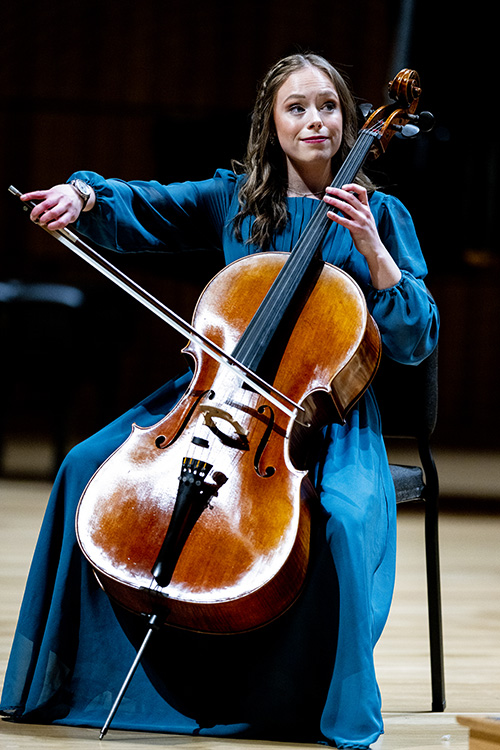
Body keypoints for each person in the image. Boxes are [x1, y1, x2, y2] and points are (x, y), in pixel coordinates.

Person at [1, 53, 439, 749]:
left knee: (347, 518)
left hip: (326, 419)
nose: (314, 120)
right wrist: (83, 198)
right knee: (86, 467)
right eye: (296, 107)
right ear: (272, 122)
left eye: (327, 105)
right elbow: (145, 202)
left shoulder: (382, 213)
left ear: (350, 119)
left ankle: (318, 706)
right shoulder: (235, 199)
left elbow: (416, 337)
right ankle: (76, 684)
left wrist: (373, 250)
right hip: (213, 397)